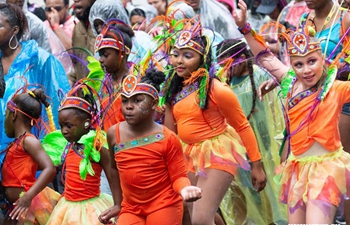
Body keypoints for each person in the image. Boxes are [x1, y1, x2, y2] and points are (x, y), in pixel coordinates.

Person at [234, 0, 350, 223]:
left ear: (323, 60)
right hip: (296, 169)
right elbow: (264, 57)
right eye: (299, 64)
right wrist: (244, 27)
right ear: (291, 66)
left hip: (324, 171)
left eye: (312, 62)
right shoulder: (289, 83)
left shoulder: (335, 88)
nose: (307, 70)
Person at [160, 20, 266, 225]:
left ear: (202, 59)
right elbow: (170, 131)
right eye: (176, 54)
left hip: (218, 152)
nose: (179, 61)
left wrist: (257, 165)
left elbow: (242, 125)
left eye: (187, 55)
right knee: (196, 215)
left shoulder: (217, 89)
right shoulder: (174, 88)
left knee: (201, 218)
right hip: (188, 155)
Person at [99, 69, 202, 224]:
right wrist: (118, 204)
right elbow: (114, 169)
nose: (129, 106)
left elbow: (178, 175)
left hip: (164, 204)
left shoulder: (168, 138)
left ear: (154, 103)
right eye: (125, 100)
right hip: (131, 207)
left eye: (137, 100)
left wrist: (184, 189)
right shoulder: (114, 133)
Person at [216, 39, 287, 225]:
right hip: (241, 148)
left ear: (241, 58)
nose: (226, 70)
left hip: (266, 142)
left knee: (273, 187)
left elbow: (275, 111)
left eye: (229, 64)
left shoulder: (259, 76)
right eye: (222, 66)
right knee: (249, 190)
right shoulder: (224, 84)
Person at [0, 3, 70, 153]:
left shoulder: (39, 60)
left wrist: (51, 151)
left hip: (30, 154)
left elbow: (57, 104)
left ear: (14, 30)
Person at [44, 81, 116, 225]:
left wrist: (118, 204)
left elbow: (112, 174)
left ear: (86, 123)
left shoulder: (97, 147)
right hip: (67, 207)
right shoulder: (68, 146)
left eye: (69, 126)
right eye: (62, 126)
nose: (64, 131)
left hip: (91, 209)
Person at [1, 88, 60, 225]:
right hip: (15, 208)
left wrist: (28, 197)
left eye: (6, 114)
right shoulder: (17, 143)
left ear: (14, 115)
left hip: (29, 207)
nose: (5, 121)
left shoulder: (28, 141)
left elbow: (50, 168)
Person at [88, 0, 155, 63]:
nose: (100, 29)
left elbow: (158, 64)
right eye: (96, 26)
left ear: (116, 19)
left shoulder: (141, 40)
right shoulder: (99, 48)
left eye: (103, 24)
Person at [70, 0, 96, 84]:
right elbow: (78, 67)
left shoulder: (104, 28)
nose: (76, 0)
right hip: (82, 93)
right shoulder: (77, 29)